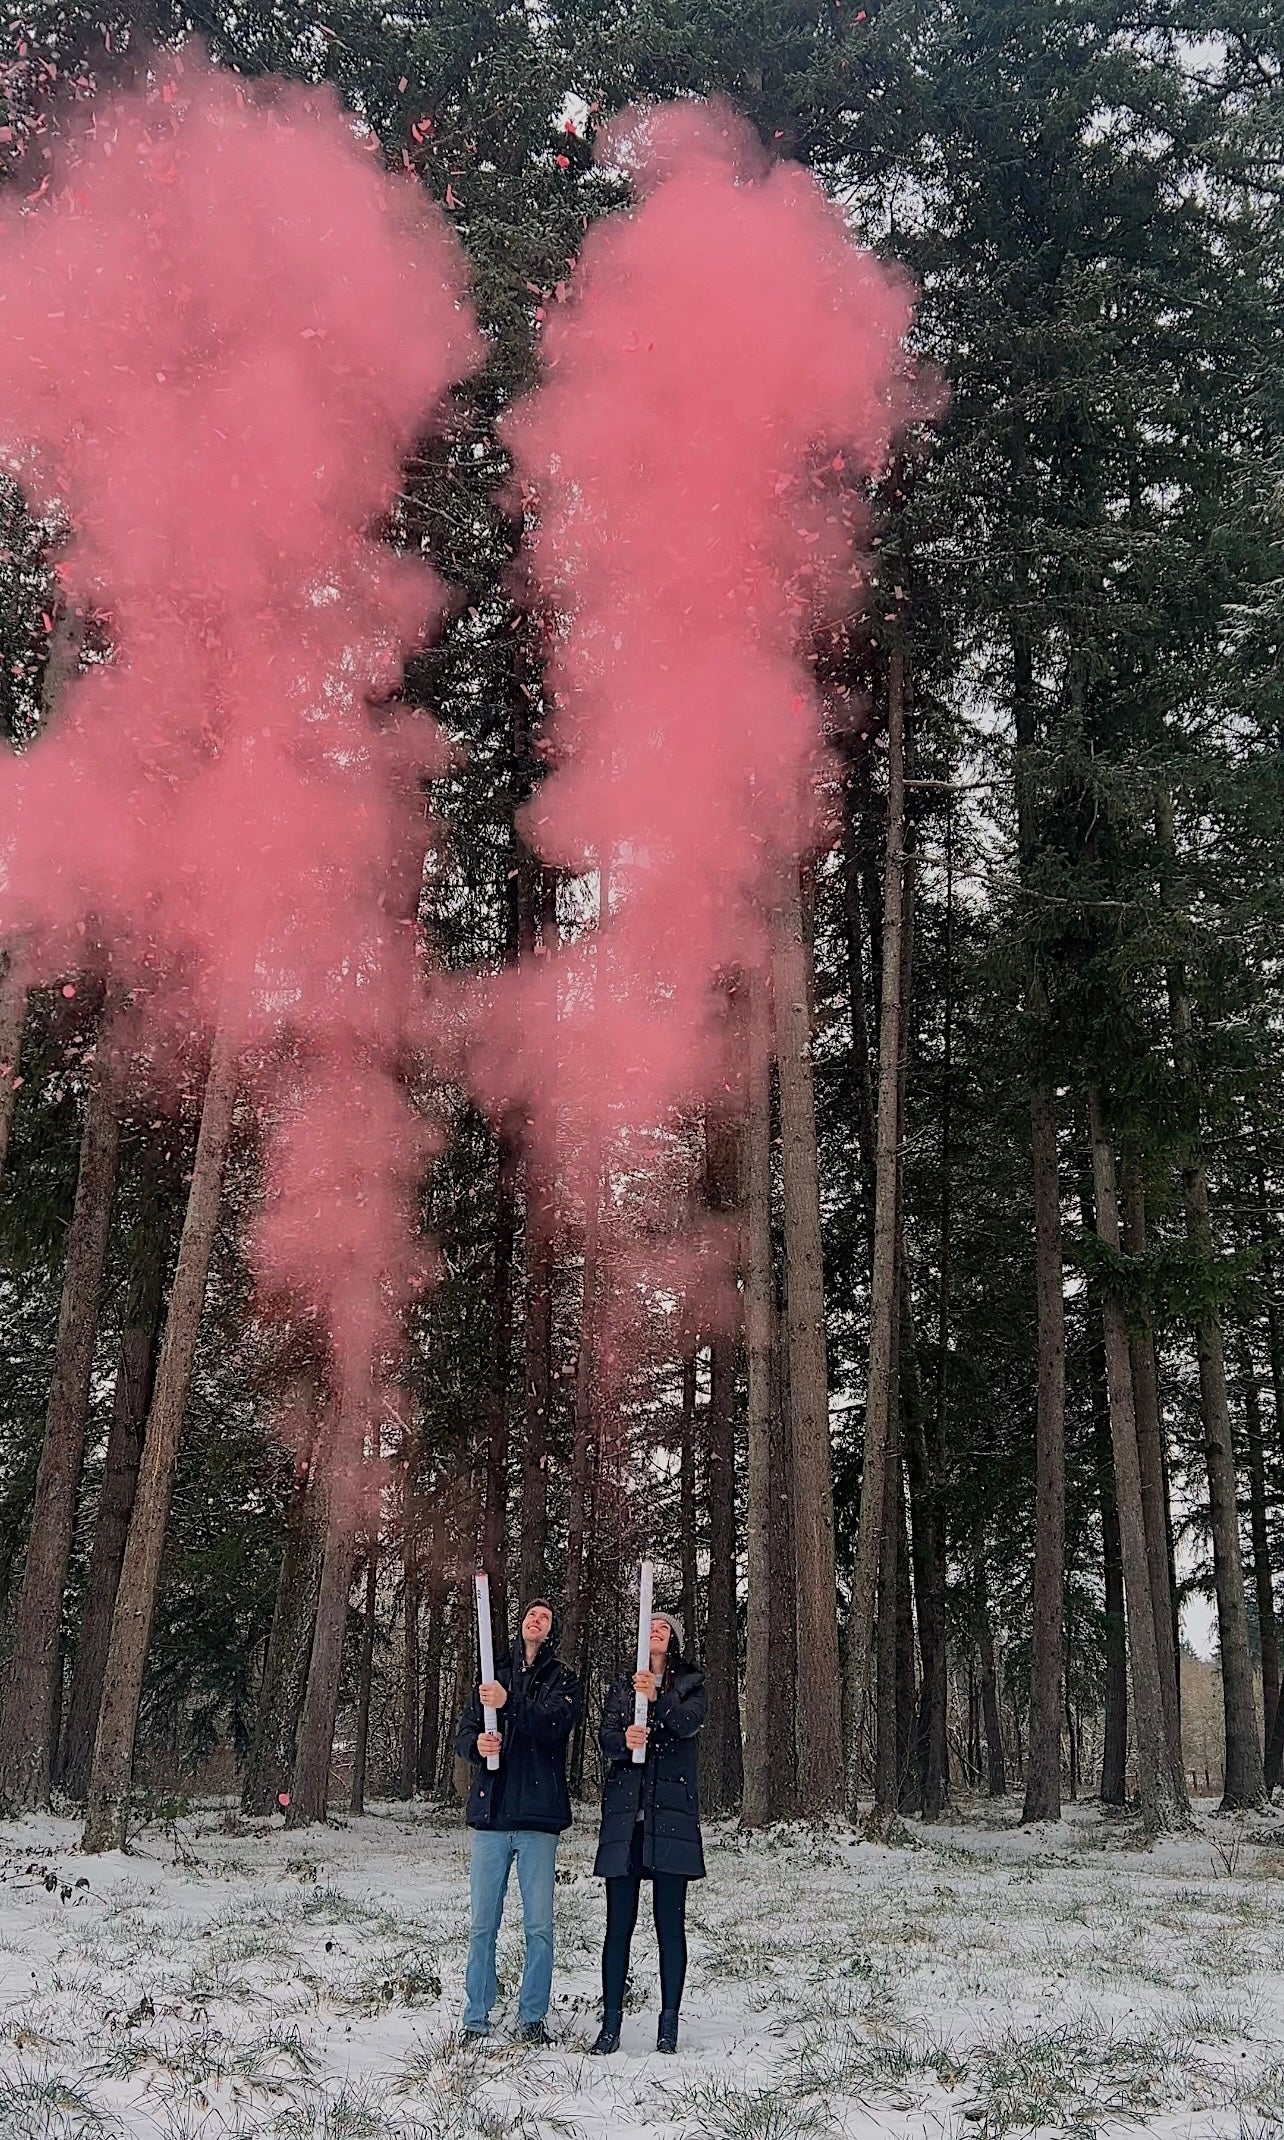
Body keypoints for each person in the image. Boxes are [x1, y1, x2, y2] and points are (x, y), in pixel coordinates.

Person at [455, 1596, 581, 2045]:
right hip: (492, 1817)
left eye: (545, 1617)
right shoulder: (494, 1675)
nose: (536, 1620)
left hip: (538, 1819)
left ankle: (532, 2016)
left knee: (539, 1926)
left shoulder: (562, 1680)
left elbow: (551, 1724)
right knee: (482, 1924)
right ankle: (475, 2016)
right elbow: (466, 1730)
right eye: (531, 1614)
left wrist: (511, 1705)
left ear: (551, 1631)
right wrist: (477, 1749)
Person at [588, 1609, 707, 2056]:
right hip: (626, 1821)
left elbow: (686, 1724)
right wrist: (626, 1743)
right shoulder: (622, 1687)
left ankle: (669, 2022)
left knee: (669, 1925)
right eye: (649, 1626)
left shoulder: (692, 1684)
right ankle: (611, 2022)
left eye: (663, 1628)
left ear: (673, 1640)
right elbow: (606, 1737)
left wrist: (657, 1696)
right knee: (618, 1925)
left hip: (671, 1820)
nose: (655, 1632)